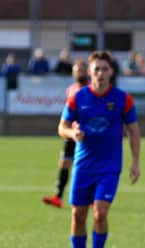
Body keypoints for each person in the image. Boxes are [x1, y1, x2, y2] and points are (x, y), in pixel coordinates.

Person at [58, 50, 141, 248]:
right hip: (83, 166)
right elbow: (61, 127)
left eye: (105, 69)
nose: (101, 73)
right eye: (96, 69)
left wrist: (135, 162)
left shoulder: (123, 99)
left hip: (109, 167)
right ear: (89, 72)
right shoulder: (78, 98)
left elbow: (134, 130)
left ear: (111, 71)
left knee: (100, 212)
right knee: (77, 215)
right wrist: (72, 134)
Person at [42, 59, 89, 208]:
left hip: (85, 134)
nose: (78, 73)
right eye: (76, 71)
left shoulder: (91, 90)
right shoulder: (71, 89)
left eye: (81, 70)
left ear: (87, 72)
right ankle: (58, 196)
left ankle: (90, 198)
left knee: (85, 166)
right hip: (71, 133)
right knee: (64, 163)